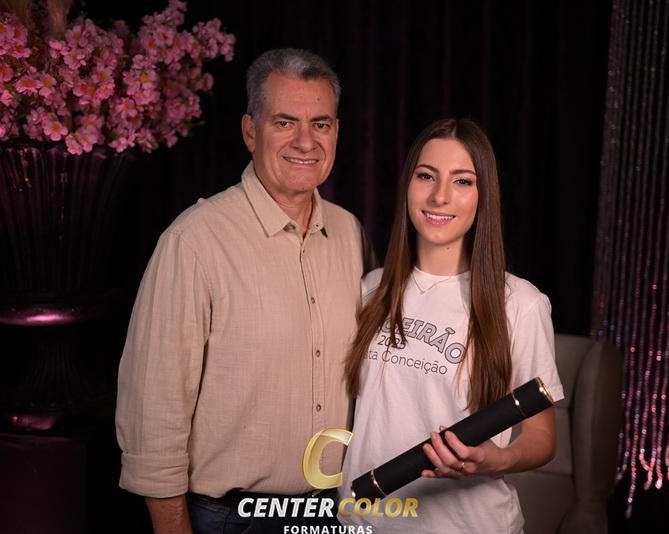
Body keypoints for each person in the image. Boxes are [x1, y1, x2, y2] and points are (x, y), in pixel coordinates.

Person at [116, 48, 373, 534]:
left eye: (320, 123)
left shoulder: (350, 234)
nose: (305, 141)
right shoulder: (194, 241)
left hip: (334, 510)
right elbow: (154, 415)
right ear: (250, 131)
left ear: (336, 132)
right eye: (284, 122)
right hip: (230, 520)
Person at [338, 118, 564, 533]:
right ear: (407, 185)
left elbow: (542, 437)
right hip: (363, 523)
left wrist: (497, 459)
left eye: (462, 181)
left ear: (483, 196)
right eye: (426, 176)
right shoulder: (371, 289)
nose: (440, 196)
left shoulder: (520, 304)